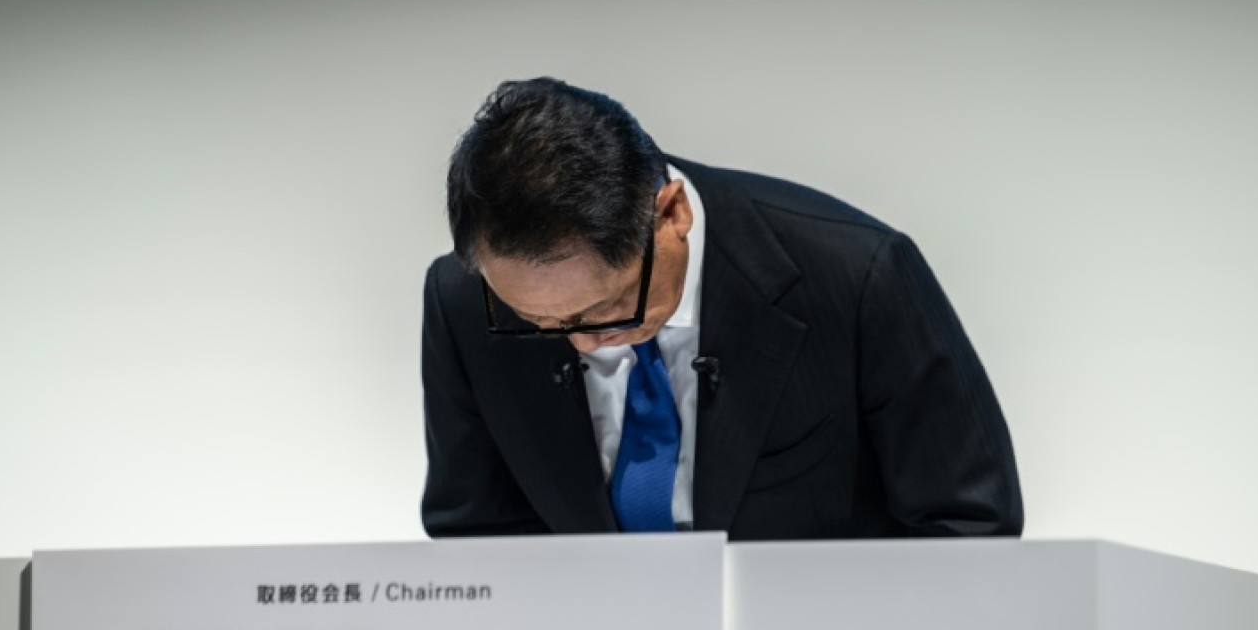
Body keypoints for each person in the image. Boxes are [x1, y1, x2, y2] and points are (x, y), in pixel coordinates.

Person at [420, 77, 1022, 540]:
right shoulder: (461, 303)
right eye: (542, 325)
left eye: (610, 308)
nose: (585, 344)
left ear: (671, 215)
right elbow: (476, 535)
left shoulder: (858, 275)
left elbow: (968, 524)